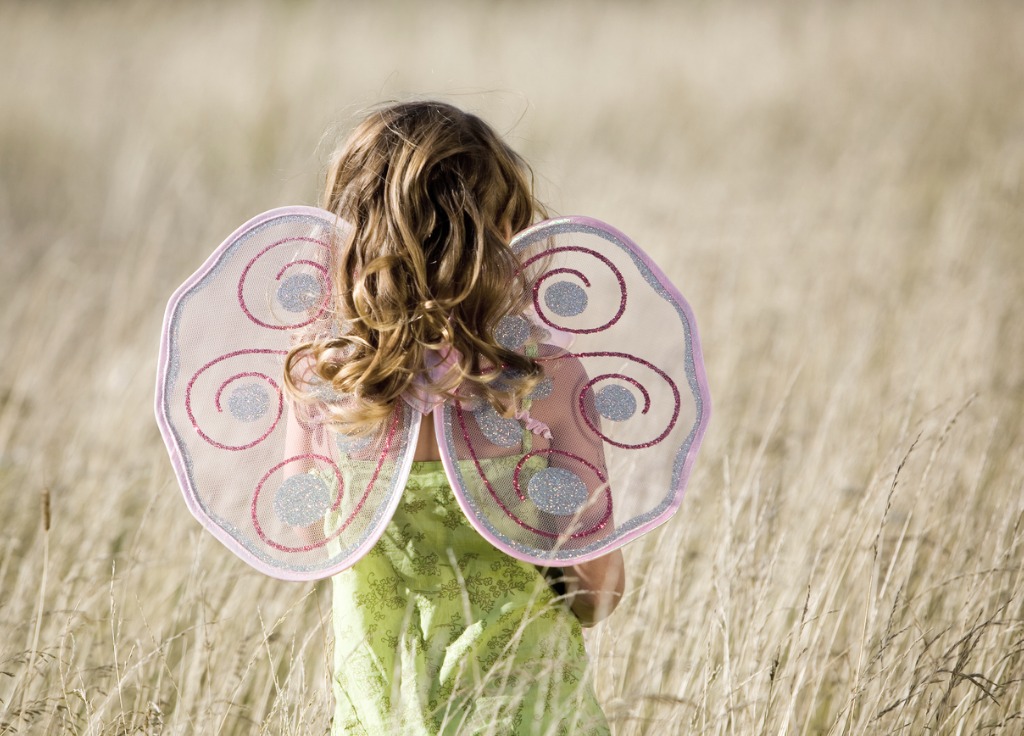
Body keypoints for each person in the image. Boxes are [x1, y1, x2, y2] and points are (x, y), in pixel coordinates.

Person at [284, 101, 625, 735]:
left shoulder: (326, 384)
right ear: (496, 235)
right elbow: (597, 589)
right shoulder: (544, 382)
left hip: (384, 711)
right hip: (529, 708)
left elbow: (306, 542)